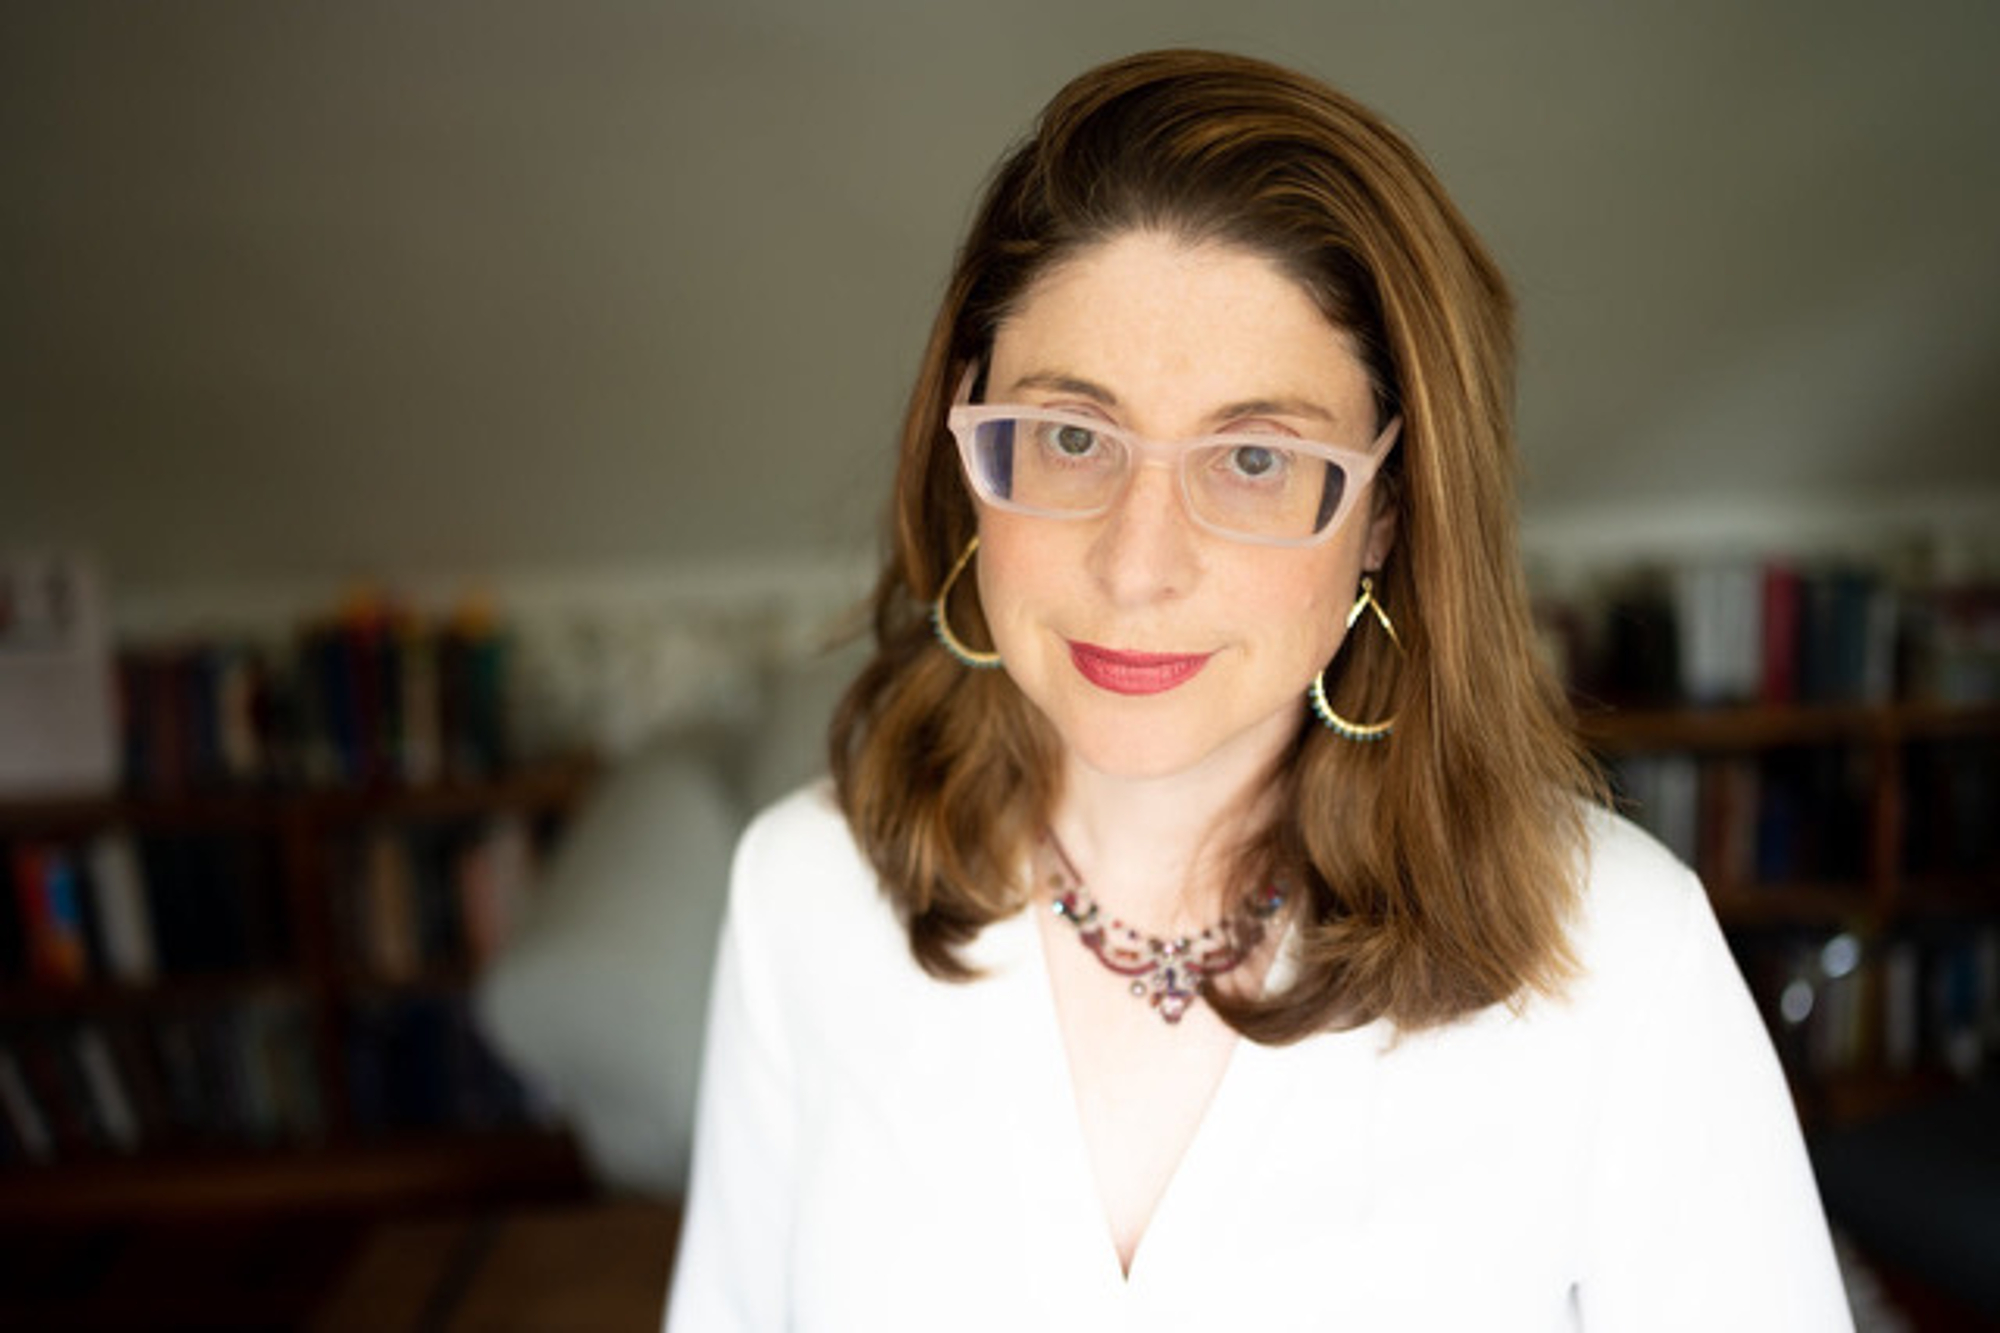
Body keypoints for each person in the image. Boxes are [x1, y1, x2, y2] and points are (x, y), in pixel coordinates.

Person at [665, 49, 1851, 1332]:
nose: (1137, 566)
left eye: (1251, 457)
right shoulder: (800, 895)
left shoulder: (1619, 962)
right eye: (1071, 437)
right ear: (968, 448)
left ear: (1385, 512)